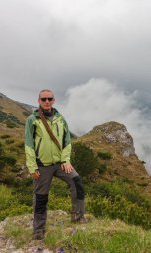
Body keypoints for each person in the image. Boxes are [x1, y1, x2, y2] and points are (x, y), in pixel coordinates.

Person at [24, 89, 86, 240]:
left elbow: (67, 142)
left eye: (49, 99)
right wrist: (32, 167)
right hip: (42, 165)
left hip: (60, 164)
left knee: (77, 182)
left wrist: (65, 160)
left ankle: (78, 218)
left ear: (53, 101)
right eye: (43, 99)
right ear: (38, 101)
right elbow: (29, 145)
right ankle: (38, 230)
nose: (47, 102)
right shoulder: (32, 120)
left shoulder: (60, 119)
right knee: (40, 198)